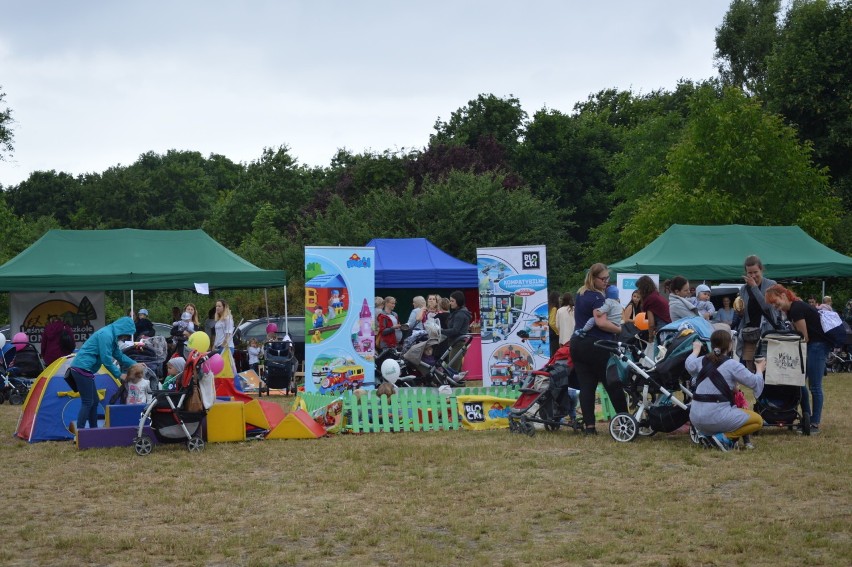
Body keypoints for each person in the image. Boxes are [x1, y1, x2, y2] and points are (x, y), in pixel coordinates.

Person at [569, 264, 628, 434]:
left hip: (578, 344)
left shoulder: (581, 294)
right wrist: (619, 329)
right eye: (603, 279)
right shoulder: (597, 298)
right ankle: (624, 420)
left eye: (608, 278)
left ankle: (590, 427)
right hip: (596, 345)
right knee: (613, 383)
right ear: (593, 278)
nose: (606, 282)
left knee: (587, 386)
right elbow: (601, 322)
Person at [686, 329, 765, 451]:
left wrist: (696, 351)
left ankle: (708, 436)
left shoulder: (701, 361)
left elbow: (688, 364)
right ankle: (723, 438)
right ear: (729, 345)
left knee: (727, 413)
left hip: (696, 418)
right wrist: (759, 368)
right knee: (757, 421)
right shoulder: (733, 365)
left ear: (712, 344)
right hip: (716, 417)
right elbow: (754, 382)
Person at [764, 284, 828, 434]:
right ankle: (807, 417)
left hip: (816, 346)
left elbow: (803, 338)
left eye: (775, 301)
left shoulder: (796, 309)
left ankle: (814, 422)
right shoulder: (793, 309)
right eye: (772, 304)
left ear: (784, 296)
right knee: (798, 383)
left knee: (815, 386)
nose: (775, 306)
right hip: (812, 346)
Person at [68, 317, 139, 430]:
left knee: (94, 401)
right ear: (122, 329)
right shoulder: (106, 335)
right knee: (87, 402)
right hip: (81, 369)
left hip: (86, 370)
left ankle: (93, 429)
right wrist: (119, 374)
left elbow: (119, 356)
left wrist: (135, 364)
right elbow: (106, 359)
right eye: (126, 334)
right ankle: (80, 433)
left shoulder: (112, 336)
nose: (125, 337)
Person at [734, 255, 778, 373]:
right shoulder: (743, 289)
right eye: (750, 273)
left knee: (766, 369)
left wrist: (754, 287)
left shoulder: (771, 285)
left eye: (755, 272)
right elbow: (745, 314)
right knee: (751, 372)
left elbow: (767, 306)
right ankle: (757, 392)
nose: (753, 276)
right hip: (749, 334)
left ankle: (766, 391)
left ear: (761, 270)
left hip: (767, 332)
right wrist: (740, 313)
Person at [443, 291, 472, 372]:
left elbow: (455, 330)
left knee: (452, 370)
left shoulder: (460, 314)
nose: (450, 303)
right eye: (450, 301)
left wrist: (440, 331)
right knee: (456, 370)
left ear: (458, 301)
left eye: (452, 301)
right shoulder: (460, 312)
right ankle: (459, 384)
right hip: (456, 343)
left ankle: (458, 385)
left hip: (457, 344)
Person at [547, 291, 561, 356]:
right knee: (555, 351)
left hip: (550, 332)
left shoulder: (549, 307)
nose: (560, 300)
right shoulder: (554, 308)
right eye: (559, 298)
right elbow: (552, 322)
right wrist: (558, 331)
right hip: (554, 333)